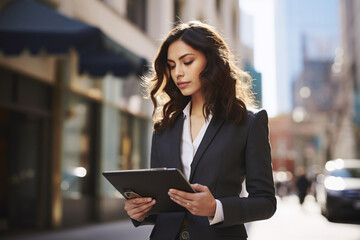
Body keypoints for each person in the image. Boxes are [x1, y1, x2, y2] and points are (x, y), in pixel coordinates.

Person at [124, 21, 276, 240]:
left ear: (211, 61)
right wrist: (140, 211)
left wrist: (216, 208)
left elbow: (266, 202)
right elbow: (162, 207)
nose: (178, 73)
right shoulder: (164, 127)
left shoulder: (249, 123)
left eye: (187, 62)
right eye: (172, 65)